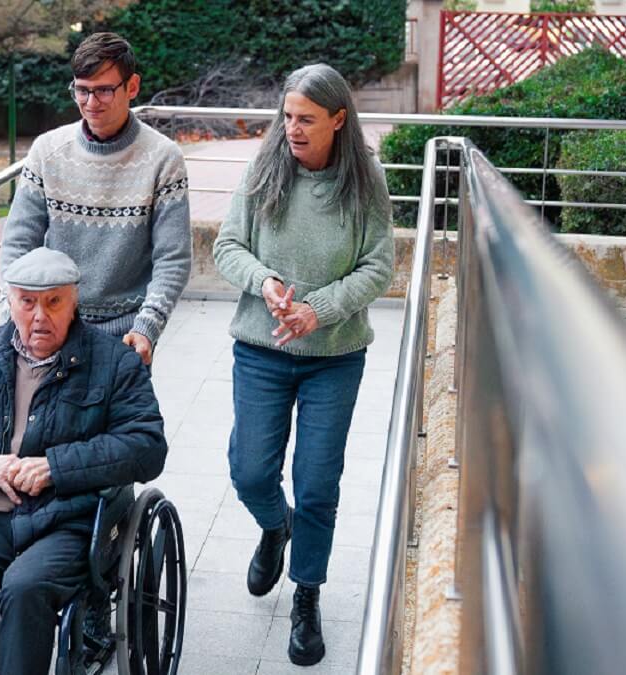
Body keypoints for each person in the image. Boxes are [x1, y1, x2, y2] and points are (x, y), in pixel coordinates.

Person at [0, 247, 167, 675]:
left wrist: (55, 467)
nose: (39, 316)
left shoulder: (114, 363)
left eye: (53, 302)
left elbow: (147, 446)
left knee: (25, 587)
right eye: (27, 302)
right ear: (10, 302)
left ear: (74, 303)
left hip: (67, 518)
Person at [211, 63, 394, 667]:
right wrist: (264, 282)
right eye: (288, 116)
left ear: (338, 120)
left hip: (333, 358)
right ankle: (275, 527)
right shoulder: (265, 169)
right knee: (249, 472)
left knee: (317, 485)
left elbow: (378, 266)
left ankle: (306, 593)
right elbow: (227, 245)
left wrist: (320, 310)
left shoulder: (366, 182)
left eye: (306, 119)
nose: (292, 128)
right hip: (260, 350)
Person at [0, 32, 192, 366]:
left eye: (103, 90)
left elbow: (172, 258)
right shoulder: (47, 151)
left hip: (127, 336)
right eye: (81, 90)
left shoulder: (164, 158)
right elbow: (18, 245)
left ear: (132, 87)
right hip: (52, 329)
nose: (90, 103)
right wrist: (14, 315)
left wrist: (147, 327)